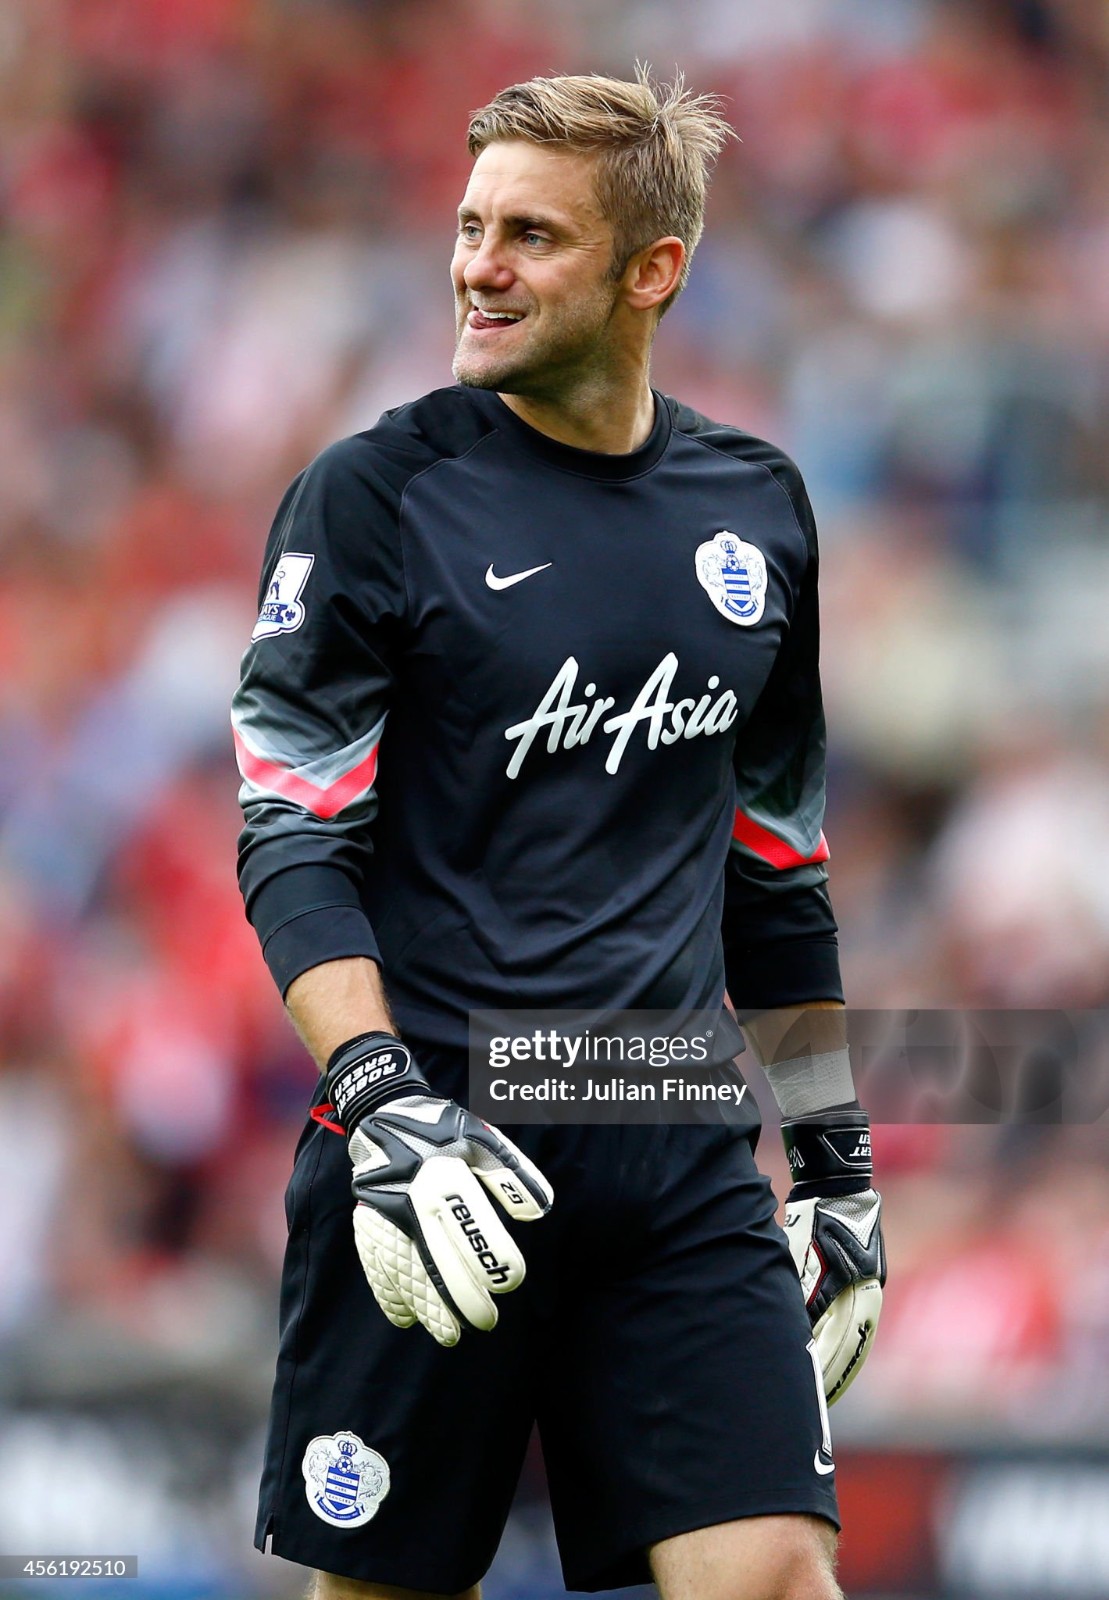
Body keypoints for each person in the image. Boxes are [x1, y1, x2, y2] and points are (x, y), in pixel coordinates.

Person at [233, 70, 885, 1600]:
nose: (477, 265)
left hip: (672, 1141)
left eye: (529, 234)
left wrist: (839, 1161)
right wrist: (379, 1100)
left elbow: (776, 875)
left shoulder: (758, 510)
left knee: (781, 1576)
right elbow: (293, 842)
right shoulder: (374, 497)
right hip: (433, 1140)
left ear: (650, 270)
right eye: (469, 228)